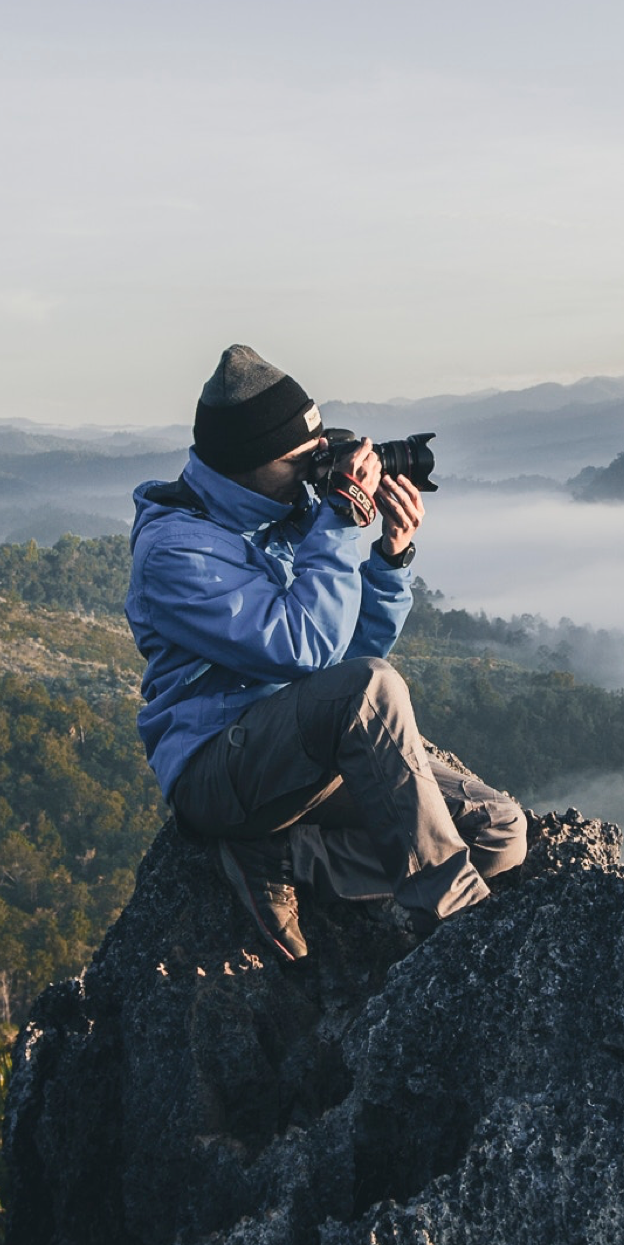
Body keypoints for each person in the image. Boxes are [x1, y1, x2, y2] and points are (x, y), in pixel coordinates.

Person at [125, 344, 526, 960]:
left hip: (303, 753)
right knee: (373, 687)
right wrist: (338, 521)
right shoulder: (177, 551)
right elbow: (309, 653)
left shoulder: (288, 514)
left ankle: (284, 855)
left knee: (498, 832)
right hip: (220, 771)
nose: (317, 471)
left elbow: (346, 660)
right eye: (301, 460)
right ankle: (459, 932)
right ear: (246, 463)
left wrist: (390, 561)